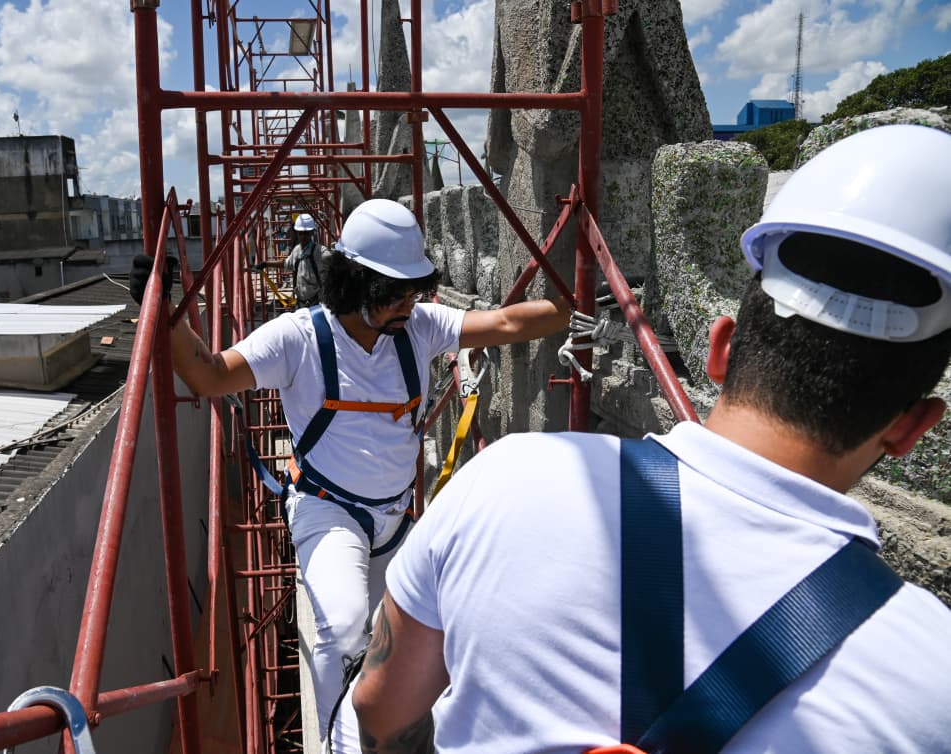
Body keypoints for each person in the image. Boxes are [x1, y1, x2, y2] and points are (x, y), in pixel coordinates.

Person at [350, 124, 951, 753]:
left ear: (719, 349)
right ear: (913, 428)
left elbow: (380, 707)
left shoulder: (504, 480)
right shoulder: (927, 681)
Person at [130, 197, 571, 742]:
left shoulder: (419, 328)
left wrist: (573, 308)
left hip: (395, 519)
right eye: (394, 293)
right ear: (356, 283)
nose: (407, 304)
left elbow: (504, 321)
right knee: (342, 632)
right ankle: (340, 742)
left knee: (422, 641)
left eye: (413, 291)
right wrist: (163, 309)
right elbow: (211, 375)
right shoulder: (297, 339)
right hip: (328, 510)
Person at [256, 212, 330, 308]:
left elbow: (333, 260)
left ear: (312, 232)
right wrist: (266, 264)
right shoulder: (297, 250)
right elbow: (286, 263)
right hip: (301, 303)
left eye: (306, 233)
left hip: (317, 304)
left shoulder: (320, 251)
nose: (303, 236)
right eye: (300, 233)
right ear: (296, 233)